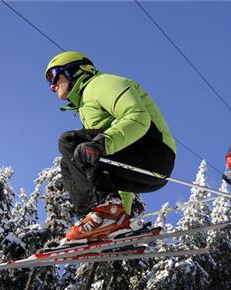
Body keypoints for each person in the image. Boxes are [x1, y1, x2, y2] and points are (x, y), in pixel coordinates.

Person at [45, 51, 176, 243]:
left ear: (73, 70)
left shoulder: (101, 84)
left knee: (70, 142)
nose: (52, 85)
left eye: (53, 75)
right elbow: (105, 175)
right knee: (71, 161)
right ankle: (104, 219)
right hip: (141, 172)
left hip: (155, 152)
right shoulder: (85, 107)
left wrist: (101, 143)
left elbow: (138, 116)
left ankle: (107, 214)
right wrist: (124, 218)